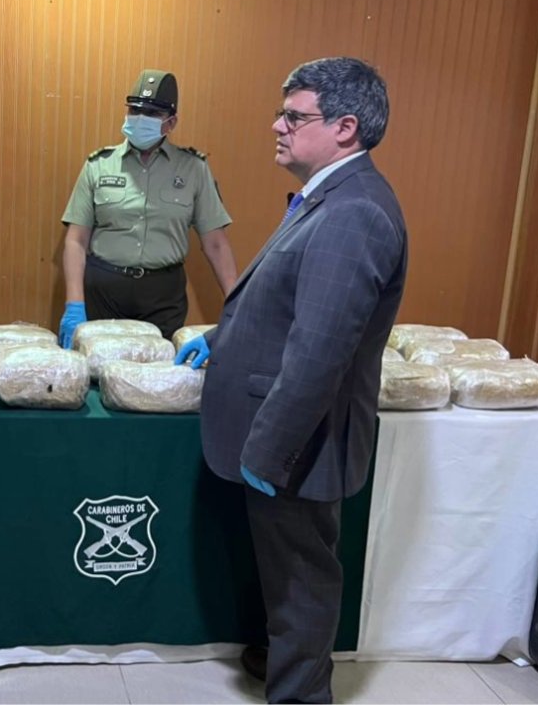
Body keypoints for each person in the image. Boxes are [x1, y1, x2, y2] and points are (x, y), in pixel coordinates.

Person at [177, 57, 407, 703]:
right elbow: (292, 307)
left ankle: (302, 694)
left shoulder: (354, 212)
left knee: (303, 581)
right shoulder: (330, 197)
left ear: (345, 128)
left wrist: (269, 451)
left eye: (293, 116)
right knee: (284, 576)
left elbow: (318, 353)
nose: (276, 126)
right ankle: (281, 661)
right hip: (288, 436)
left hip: (300, 443)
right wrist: (224, 338)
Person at [58, 69, 238, 347]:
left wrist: (237, 303)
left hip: (162, 296)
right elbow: (76, 240)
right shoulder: (98, 164)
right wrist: (74, 305)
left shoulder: (193, 168)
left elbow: (215, 243)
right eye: (135, 110)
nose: (140, 118)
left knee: (159, 371)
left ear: (171, 122)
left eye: (152, 113)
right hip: (104, 291)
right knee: (97, 367)